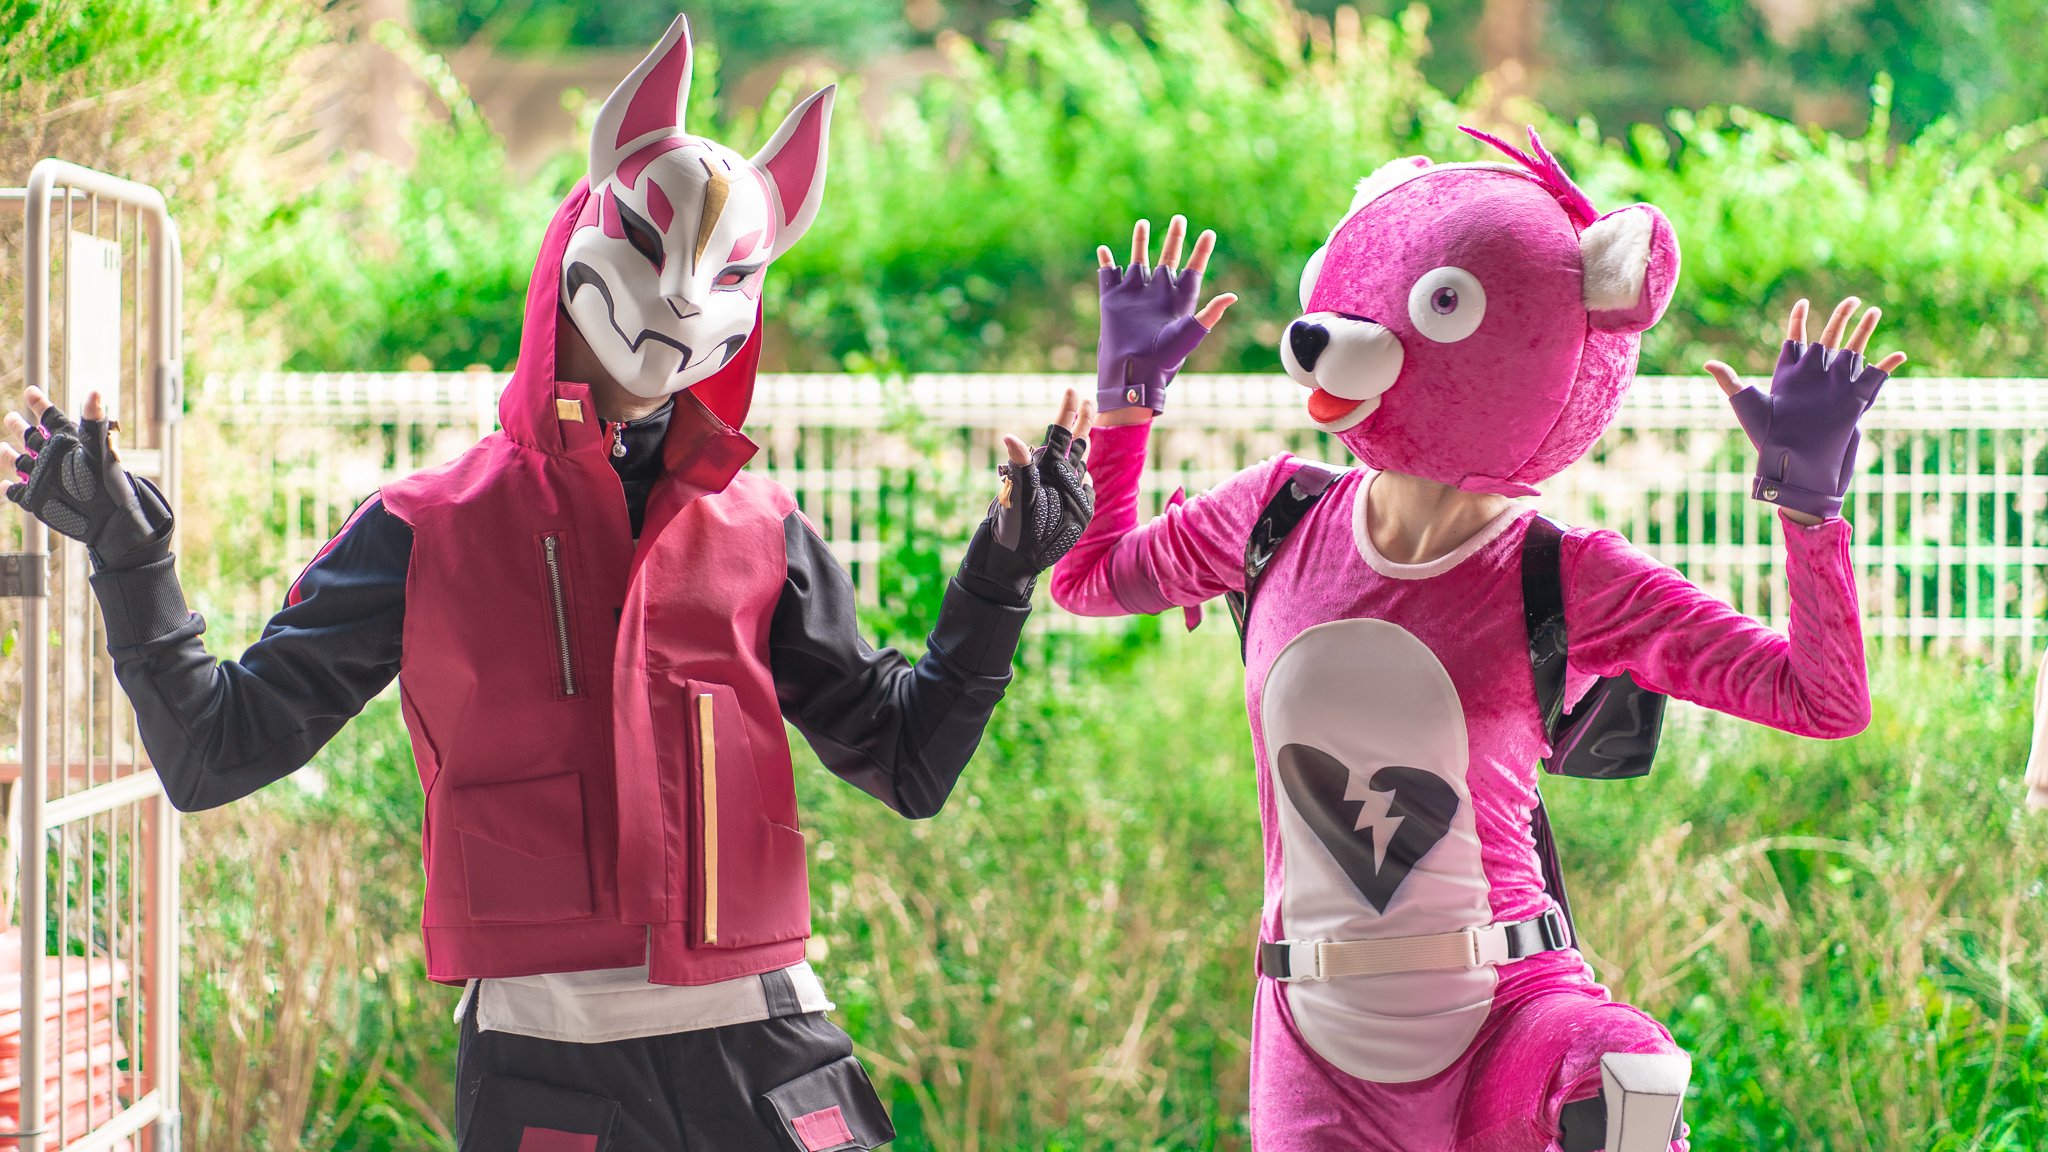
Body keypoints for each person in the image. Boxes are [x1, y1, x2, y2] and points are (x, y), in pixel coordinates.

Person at [4, 15, 1094, 1150]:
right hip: (551, 1071)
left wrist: (1000, 580)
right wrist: (130, 559)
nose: (681, 300)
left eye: (725, 275)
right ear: (577, 244)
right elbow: (213, 750)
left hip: (764, 1050)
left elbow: (908, 761)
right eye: (650, 248)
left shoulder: (763, 531)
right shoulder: (425, 530)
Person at [1051, 129, 1903, 1151]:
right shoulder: (1271, 515)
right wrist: (1127, 394)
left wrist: (1809, 510)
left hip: (1512, 1007)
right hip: (1313, 1042)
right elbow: (1088, 579)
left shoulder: (1567, 573)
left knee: (1621, 1077)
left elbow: (1820, 699)